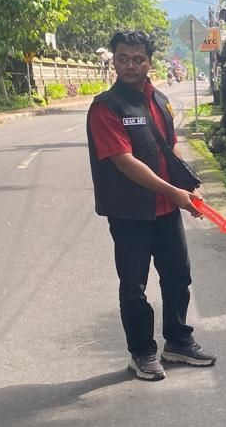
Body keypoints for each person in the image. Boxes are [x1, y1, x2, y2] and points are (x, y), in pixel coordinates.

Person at [86, 29, 217, 382]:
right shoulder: (105, 107)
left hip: (166, 209)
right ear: (114, 61)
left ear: (149, 62)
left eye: (138, 59)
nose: (130, 65)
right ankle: (141, 352)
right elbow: (124, 161)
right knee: (134, 285)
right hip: (130, 212)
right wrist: (173, 193)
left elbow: (169, 148)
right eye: (123, 58)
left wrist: (186, 190)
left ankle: (177, 341)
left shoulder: (159, 100)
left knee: (178, 276)